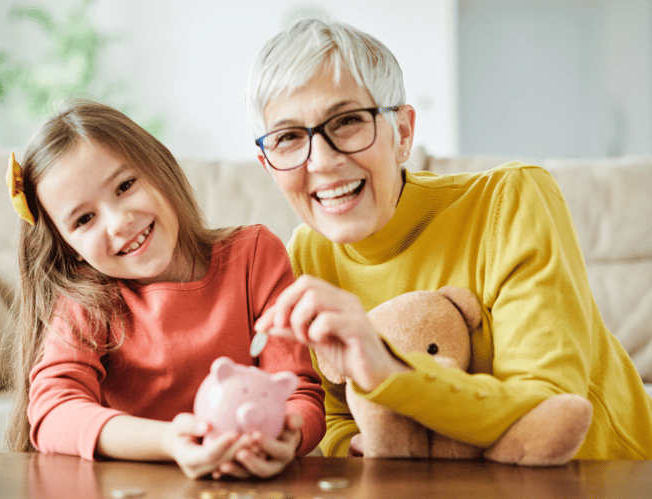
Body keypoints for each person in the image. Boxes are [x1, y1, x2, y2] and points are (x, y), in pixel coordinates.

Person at [244, 18, 652, 459]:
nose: (321, 161)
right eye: (287, 137)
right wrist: (357, 443)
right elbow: (334, 416)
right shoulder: (307, 255)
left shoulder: (511, 201)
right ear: (268, 165)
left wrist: (389, 372)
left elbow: (548, 406)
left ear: (402, 134)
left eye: (347, 121)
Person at [3, 99, 325, 479]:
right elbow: (53, 412)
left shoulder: (254, 255)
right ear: (67, 245)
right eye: (84, 219)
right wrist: (170, 441)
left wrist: (287, 434)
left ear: (160, 167)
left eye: (124, 186)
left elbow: (299, 392)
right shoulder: (87, 297)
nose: (119, 222)